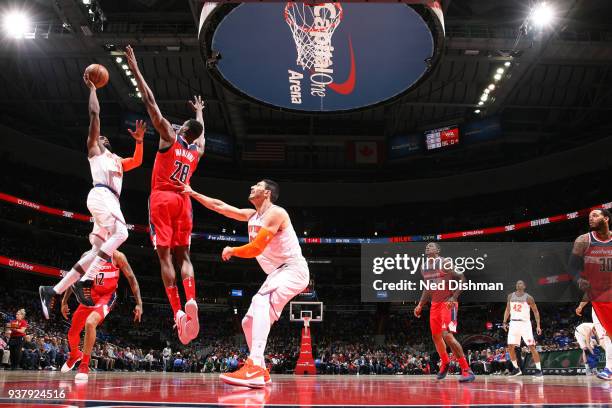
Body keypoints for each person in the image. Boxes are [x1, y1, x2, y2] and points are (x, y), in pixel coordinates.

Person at [183, 180, 309, 388]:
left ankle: (255, 367)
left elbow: (257, 247)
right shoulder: (252, 216)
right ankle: (262, 370)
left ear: (267, 193)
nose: (252, 187)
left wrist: (233, 250)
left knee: (260, 300)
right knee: (248, 322)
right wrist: (192, 193)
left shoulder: (276, 213)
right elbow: (220, 206)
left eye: (257, 185)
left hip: (293, 269)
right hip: (276, 274)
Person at [39, 72, 146, 316]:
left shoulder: (117, 160)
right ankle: (86, 280)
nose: (102, 136)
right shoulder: (95, 150)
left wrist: (139, 141)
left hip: (107, 203)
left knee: (94, 252)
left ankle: (52, 290)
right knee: (121, 232)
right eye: (99, 136)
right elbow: (94, 116)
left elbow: (138, 162)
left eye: (104, 137)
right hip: (102, 196)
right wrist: (93, 90)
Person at [124, 45, 205, 344]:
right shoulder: (196, 151)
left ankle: (177, 312)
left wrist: (135, 68)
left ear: (182, 128)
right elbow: (202, 135)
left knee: (164, 257)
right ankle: (192, 299)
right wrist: (199, 113)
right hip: (184, 200)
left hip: (162, 198)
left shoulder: (169, 137)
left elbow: (150, 102)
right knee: (184, 254)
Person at [60, 250, 142, 382]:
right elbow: (74, 278)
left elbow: (131, 278)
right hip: (89, 297)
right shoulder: (86, 256)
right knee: (72, 334)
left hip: (107, 296)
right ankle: (75, 355)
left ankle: (84, 365)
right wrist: (64, 302)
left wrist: (139, 303)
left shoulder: (117, 256)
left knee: (90, 323)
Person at [413, 243, 475, 383]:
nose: (428, 247)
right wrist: (420, 304)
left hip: (448, 303)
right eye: (427, 246)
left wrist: (454, 297)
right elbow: (428, 288)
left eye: (431, 246)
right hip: (434, 305)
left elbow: (463, 279)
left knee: (447, 335)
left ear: (438, 250)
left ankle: (466, 369)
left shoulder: (445, 262)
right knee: (436, 337)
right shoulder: (424, 267)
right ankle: (445, 362)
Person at [569, 208, 612, 380]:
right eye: (589, 217)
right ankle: (610, 368)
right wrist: (579, 279)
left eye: (595, 215)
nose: (591, 218)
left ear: (606, 218)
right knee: (606, 334)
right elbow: (572, 266)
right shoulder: (583, 240)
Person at [502, 280, 543, 377]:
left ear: (524, 286)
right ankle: (516, 369)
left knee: (531, 346)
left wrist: (538, 325)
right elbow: (508, 309)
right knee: (510, 347)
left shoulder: (529, 297)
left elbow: (536, 312)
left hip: (525, 324)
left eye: (520, 283)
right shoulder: (510, 296)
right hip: (513, 323)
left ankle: (539, 370)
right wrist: (504, 322)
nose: (518, 284)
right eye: (517, 283)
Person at [576, 301, 611, 380]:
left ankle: (608, 368)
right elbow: (587, 343)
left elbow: (599, 340)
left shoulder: (592, 328)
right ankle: (587, 368)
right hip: (579, 333)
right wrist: (592, 352)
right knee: (585, 349)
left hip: (605, 304)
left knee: (604, 339)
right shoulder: (588, 330)